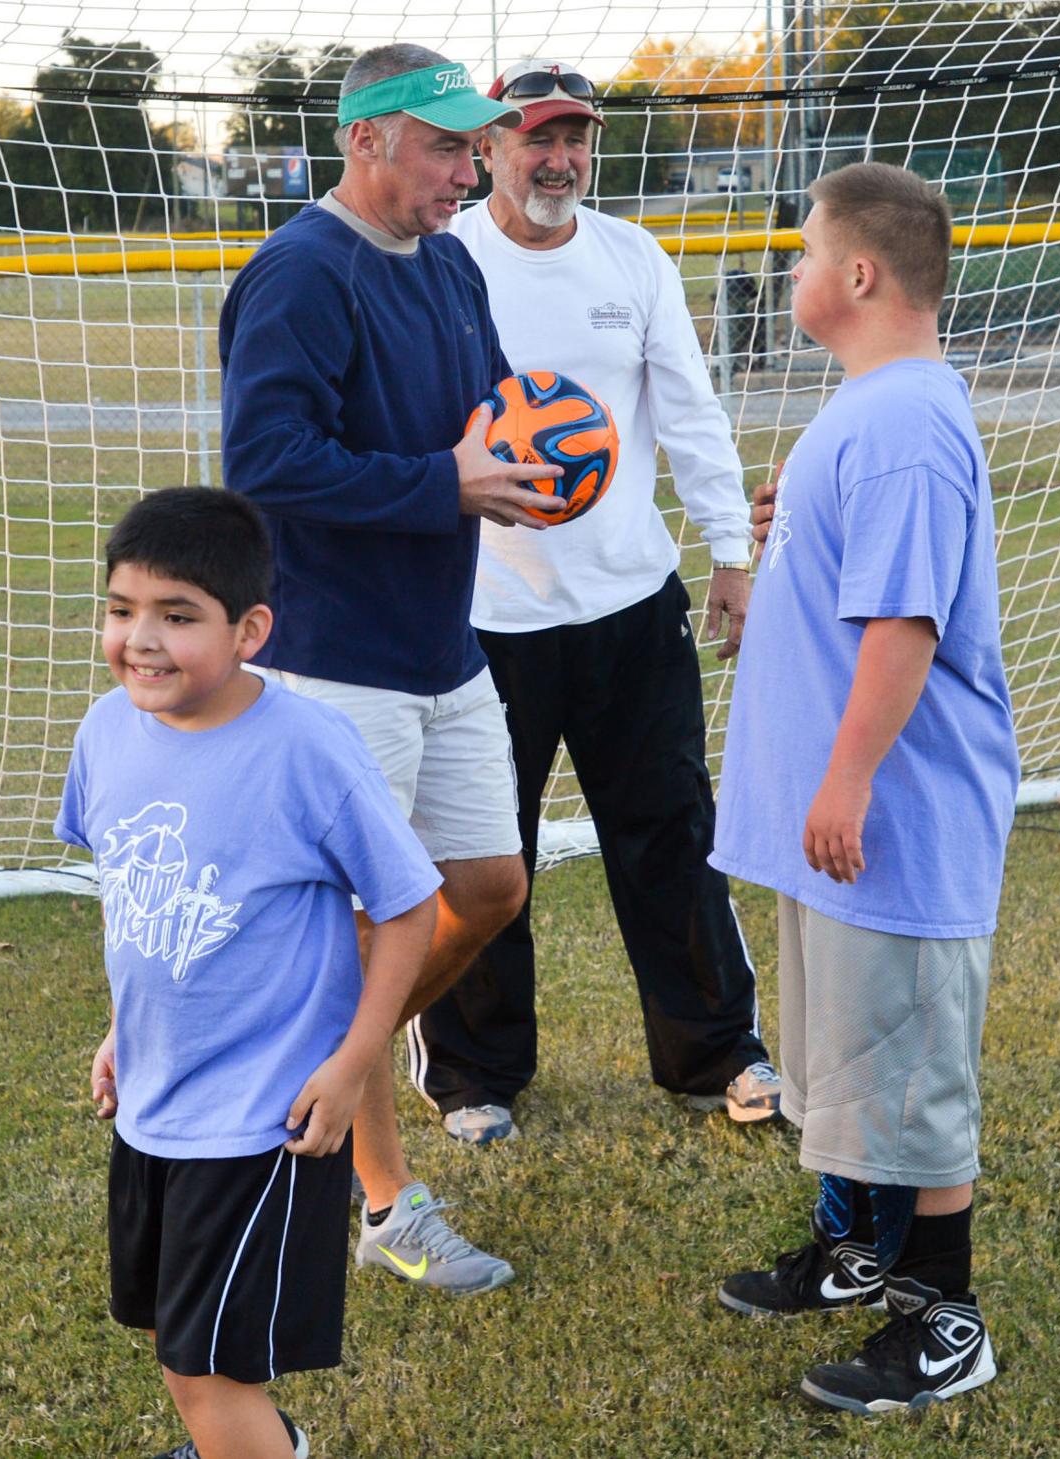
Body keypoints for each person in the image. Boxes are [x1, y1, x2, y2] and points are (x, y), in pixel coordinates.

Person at [218, 45, 564, 1290]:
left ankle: (324, 1063)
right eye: (444, 148)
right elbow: (261, 461)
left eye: (475, 148)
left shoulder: (456, 260)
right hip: (334, 660)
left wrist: (538, 451)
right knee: (374, 915)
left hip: (441, 644)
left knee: (487, 884)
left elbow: (483, 412)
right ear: (366, 141)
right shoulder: (301, 274)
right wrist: (444, 484)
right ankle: (385, 1205)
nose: (469, 172)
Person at [411, 60, 781, 1147]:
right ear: (490, 150)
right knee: (485, 850)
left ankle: (717, 1052)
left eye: (576, 138)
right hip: (482, 615)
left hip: (629, 603)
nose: (559, 158)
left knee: (670, 834)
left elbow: (691, 407)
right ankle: (474, 1074)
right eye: (537, 139)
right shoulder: (443, 260)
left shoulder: (634, 256)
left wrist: (729, 551)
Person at [710, 163, 1020, 1413]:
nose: (788, 273)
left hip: (887, 821)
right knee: (844, 1057)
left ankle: (948, 1319)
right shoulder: (869, 409)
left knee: (910, 1072)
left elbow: (904, 625)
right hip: (836, 829)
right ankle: (856, 1252)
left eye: (801, 252)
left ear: (857, 274)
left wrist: (845, 782)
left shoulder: (898, 422)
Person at [54, 488, 442, 1459]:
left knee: (204, 1371)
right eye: (122, 608)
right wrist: (120, 1030)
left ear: (250, 630)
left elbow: (408, 906)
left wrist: (355, 1062)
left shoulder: (306, 750)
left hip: (260, 1120)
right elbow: (141, 905)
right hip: (155, 1101)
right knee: (169, 1330)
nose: (141, 639)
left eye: (178, 615)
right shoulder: (106, 732)